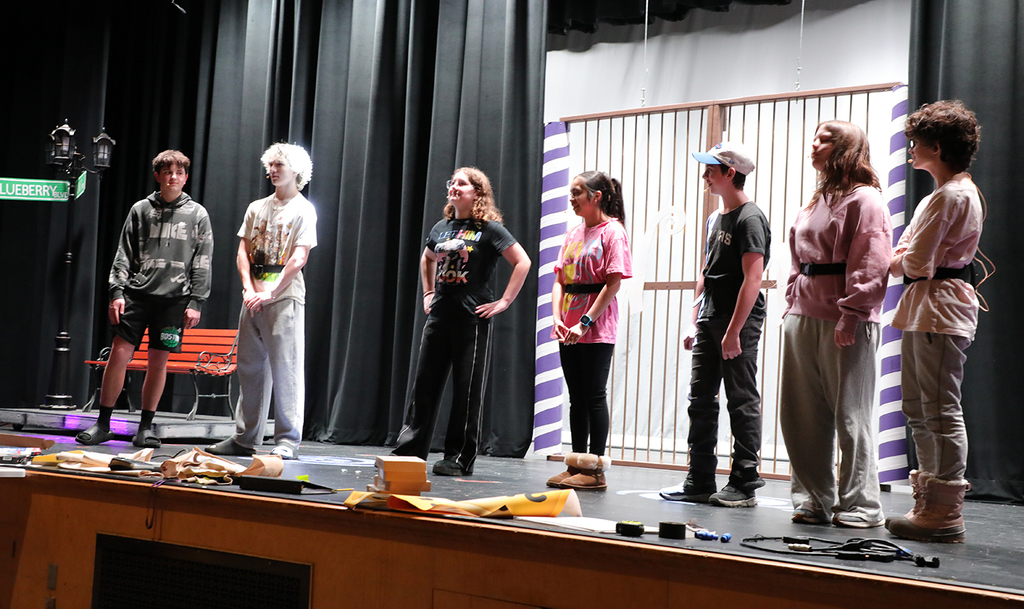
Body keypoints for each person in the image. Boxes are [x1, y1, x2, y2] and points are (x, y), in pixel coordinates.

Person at [779, 121, 893, 528]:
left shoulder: (866, 201)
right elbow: (797, 257)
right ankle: (812, 497)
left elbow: (871, 260)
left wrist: (853, 313)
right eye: (814, 136)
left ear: (846, 148)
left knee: (851, 414)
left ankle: (861, 505)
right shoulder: (815, 201)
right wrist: (792, 300)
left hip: (845, 319)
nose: (814, 144)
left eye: (825, 139)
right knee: (801, 413)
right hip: (802, 315)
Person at [885, 101, 983, 543]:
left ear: (937, 148)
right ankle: (930, 502)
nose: (910, 150)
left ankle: (943, 511)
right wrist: (901, 259)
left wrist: (900, 259)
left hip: (939, 309)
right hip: (931, 307)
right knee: (921, 408)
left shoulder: (951, 195)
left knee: (939, 409)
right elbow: (906, 257)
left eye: (916, 143)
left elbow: (914, 262)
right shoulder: (944, 193)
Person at [391, 167, 531, 476]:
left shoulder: (490, 229)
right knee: (424, 385)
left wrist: (504, 301)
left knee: (466, 390)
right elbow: (427, 258)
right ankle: (411, 449)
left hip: (472, 318)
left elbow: (522, 261)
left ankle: (459, 457)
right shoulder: (442, 227)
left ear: (477, 193)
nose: (454, 187)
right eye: (452, 182)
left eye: (462, 183)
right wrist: (428, 293)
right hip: (440, 315)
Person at [77, 150, 213, 449]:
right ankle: (103, 423)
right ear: (158, 175)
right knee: (118, 354)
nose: (172, 177)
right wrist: (117, 292)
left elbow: (202, 261)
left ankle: (146, 427)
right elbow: (123, 254)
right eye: (167, 172)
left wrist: (196, 302)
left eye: (178, 172)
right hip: (137, 295)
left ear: (185, 177)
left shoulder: (198, 214)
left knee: (157, 362)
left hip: (174, 300)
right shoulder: (140, 209)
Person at [659, 141, 769, 507]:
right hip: (709, 318)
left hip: (737, 320)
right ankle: (700, 477)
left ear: (730, 173)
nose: (705, 176)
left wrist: (734, 330)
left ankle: (744, 481)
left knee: (741, 398)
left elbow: (752, 279)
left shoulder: (750, 218)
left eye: (712, 169)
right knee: (701, 399)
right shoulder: (714, 218)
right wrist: (693, 321)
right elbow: (705, 273)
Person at [207, 143, 316, 460]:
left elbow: (299, 257)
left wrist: (271, 291)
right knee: (250, 368)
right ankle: (245, 437)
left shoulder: (303, 209)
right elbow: (243, 251)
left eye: (280, 164)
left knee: (286, 368)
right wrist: (248, 289)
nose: (274, 170)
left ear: (295, 170)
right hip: (253, 296)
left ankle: (288, 439)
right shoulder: (257, 208)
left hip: (283, 297)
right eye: (271, 164)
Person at [545, 171, 633, 491]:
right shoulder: (572, 234)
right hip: (568, 325)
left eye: (577, 192)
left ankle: (595, 468)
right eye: (571, 192)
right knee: (576, 397)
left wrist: (585, 323)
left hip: (596, 326)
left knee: (594, 394)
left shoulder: (613, 232)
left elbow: (613, 283)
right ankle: (576, 464)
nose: (572, 198)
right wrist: (558, 318)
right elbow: (559, 280)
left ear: (596, 197)